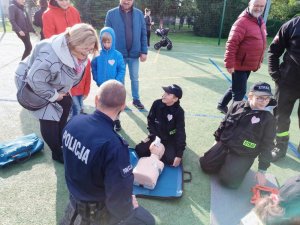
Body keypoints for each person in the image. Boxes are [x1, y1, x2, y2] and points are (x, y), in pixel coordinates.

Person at [60, 80, 155, 225]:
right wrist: (130, 206)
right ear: (122, 107)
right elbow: (118, 196)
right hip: (96, 210)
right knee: (147, 220)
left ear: (97, 99)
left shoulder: (74, 122)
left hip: (74, 197)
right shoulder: (114, 145)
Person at [15, 23, 99, 164]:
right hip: (31, 82)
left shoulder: (76, 52)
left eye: (90, 49)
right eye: (85, 48)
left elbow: (71, 74)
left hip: (50, 81)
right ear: (74, 42)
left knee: (66, 103)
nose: (87, 52)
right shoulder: (50, 55)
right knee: (49, 117)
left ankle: (61, 139)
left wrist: (60, 94)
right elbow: (35, 79)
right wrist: (54, 95)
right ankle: (57, 152)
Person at [200, 82, 276, 189]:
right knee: (205, 166)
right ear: (250, 96)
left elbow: (267, 145)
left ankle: (238, 166)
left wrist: (262, 171)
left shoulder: (269, 119)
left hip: (244, 153)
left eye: (267, 98)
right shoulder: (236, 105)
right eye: (260, 98)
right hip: (225, 145)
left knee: (229, 182)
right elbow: (224, 123)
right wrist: (217, 141)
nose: (264, 102)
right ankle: (226, 162)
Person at [217, 0, 267, 114]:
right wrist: (229, 64)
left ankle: (221, 104)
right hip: (239, 64)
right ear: (250, 5)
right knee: (239, 93)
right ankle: (232, 119)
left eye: (261, 6)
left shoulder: (260, 21)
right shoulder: (242, 22)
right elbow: (231, 44)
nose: (259, 8)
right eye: (256, 5)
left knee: (236, 87)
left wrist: (259, 60)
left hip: (248, 64)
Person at [105, 0, 148, 110]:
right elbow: (107, 34)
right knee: (120, 80)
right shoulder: (111, 13)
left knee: (135, 78)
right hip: (118, 55)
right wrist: (108, 52)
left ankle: (136, 99)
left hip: (135, 54)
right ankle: (121, 101)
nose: (126, 1)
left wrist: (144, 51)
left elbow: (143, 33)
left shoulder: (139, 14)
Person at [268, 16, 300, 161]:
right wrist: (275, 74)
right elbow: (274, 51)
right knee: (281, 116)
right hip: (287, 82)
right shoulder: (292, 25)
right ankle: (280, 147)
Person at [135, 84, 186, 167]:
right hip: (156, 136)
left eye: (168, 94)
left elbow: (180, 132)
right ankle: (157, 152)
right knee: (139, 150)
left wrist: (179, 154)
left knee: (171, 160)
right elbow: (150, 121)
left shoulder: (179, 112)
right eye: (165, 92)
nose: (164, 95)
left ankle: (162, 152)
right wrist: (155, 137)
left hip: (170, 140)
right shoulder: (156, 104)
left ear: (175, 99)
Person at [91, 27, 125, 131]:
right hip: (102, 86)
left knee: (115, 104)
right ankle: (102, 121)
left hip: (115, 87)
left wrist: (116, 81)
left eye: (109, 42)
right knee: (101, 103)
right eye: (104, 42)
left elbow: (121, 69)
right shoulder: (97, 54)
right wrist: (97, 79)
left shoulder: (117, 55)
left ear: (113, 41)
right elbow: (94, 67)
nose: (106, 45)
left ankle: (116, 120)